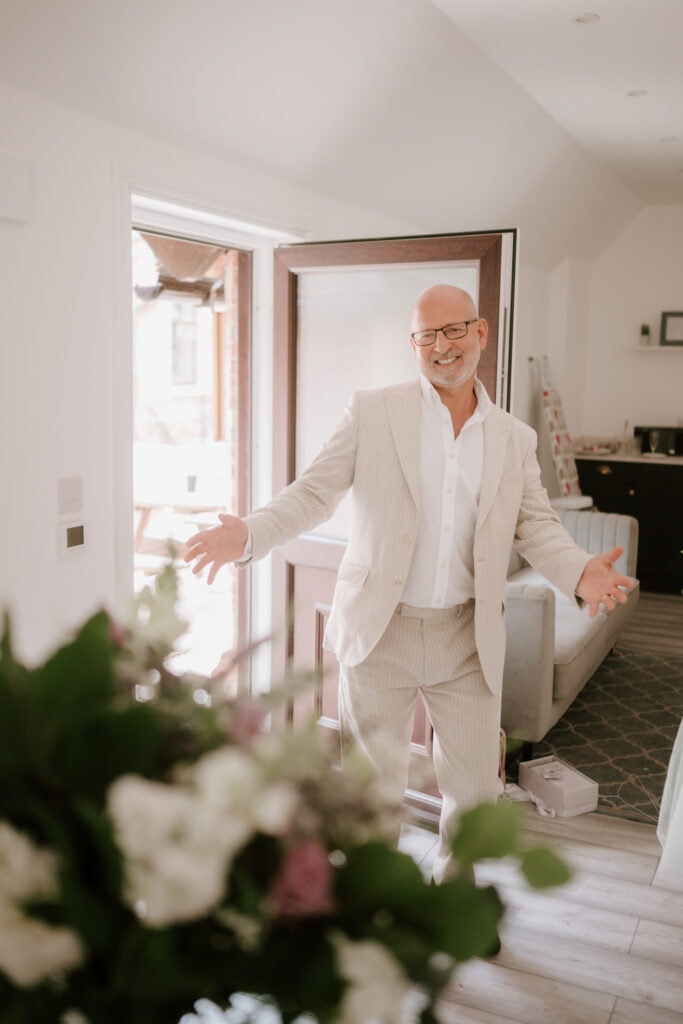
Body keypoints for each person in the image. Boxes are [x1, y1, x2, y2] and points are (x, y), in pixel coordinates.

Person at [184, 284, 634, 883]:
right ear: (413, 344)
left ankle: (456, 892)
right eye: (427, 335)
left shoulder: (514, 439)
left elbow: (536, 526)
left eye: (454, 331)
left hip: (466, 636)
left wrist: (581, 570)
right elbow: (314, 493)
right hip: (380, 629)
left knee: (474, 789)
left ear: (480, 333)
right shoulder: (373, 411)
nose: (441, 346)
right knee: (373, 789)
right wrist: (249, 534)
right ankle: (380, 894)